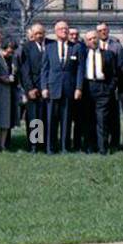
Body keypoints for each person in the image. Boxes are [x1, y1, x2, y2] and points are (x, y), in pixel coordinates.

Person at [76, 29, 119, 155]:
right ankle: (89, 146)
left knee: (102, 120)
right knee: (88, 119)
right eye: (89, 39)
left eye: (94, 38)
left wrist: (109, 89)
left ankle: (103, 148)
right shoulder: (82, 54)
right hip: (87, 88)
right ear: (86, 41)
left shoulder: (108, 54)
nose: (93, 41)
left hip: (103, 88)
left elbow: (114, 74)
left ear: (98, 38)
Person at [41, 20, 79, 154]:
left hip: (69, 88)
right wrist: (44, 87)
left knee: (66, 119)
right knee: (51, 119)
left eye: (66, 29)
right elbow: (44, 69)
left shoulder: (75, 47)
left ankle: (65, 147)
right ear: (56, 32)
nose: (65, 31)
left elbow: (79, 70)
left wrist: (78, 88)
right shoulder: (49, 48)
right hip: (52, 88)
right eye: (62, 29)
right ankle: (50, 147)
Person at [17, 23, 48, 152]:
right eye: (36, 34)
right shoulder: (27, 47)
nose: (39, 36)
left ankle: (44, 143)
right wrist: (29, 88)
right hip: (33, 87)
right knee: (34, 117)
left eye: (41, 33)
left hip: (47, 87)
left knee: (45, 116)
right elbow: (24, 70)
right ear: (32, 35)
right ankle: (34, 144)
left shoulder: (50, 45)